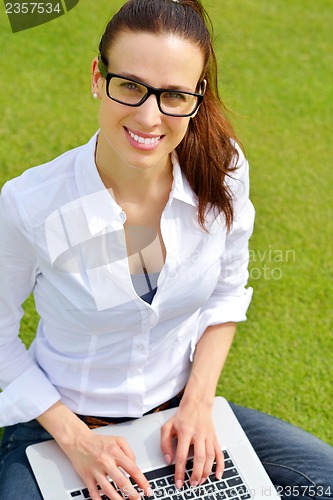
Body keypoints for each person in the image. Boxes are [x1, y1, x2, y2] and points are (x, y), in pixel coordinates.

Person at [0, 0, 332, 499]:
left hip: (179, 416)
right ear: (97, 76)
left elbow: (226, 291)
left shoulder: (223, 173)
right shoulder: (31, 204)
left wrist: (198, 404)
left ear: (197, 96)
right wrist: (77, 439)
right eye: (130, 85)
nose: (150, 117)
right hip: (60, 426)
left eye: (174, 95)